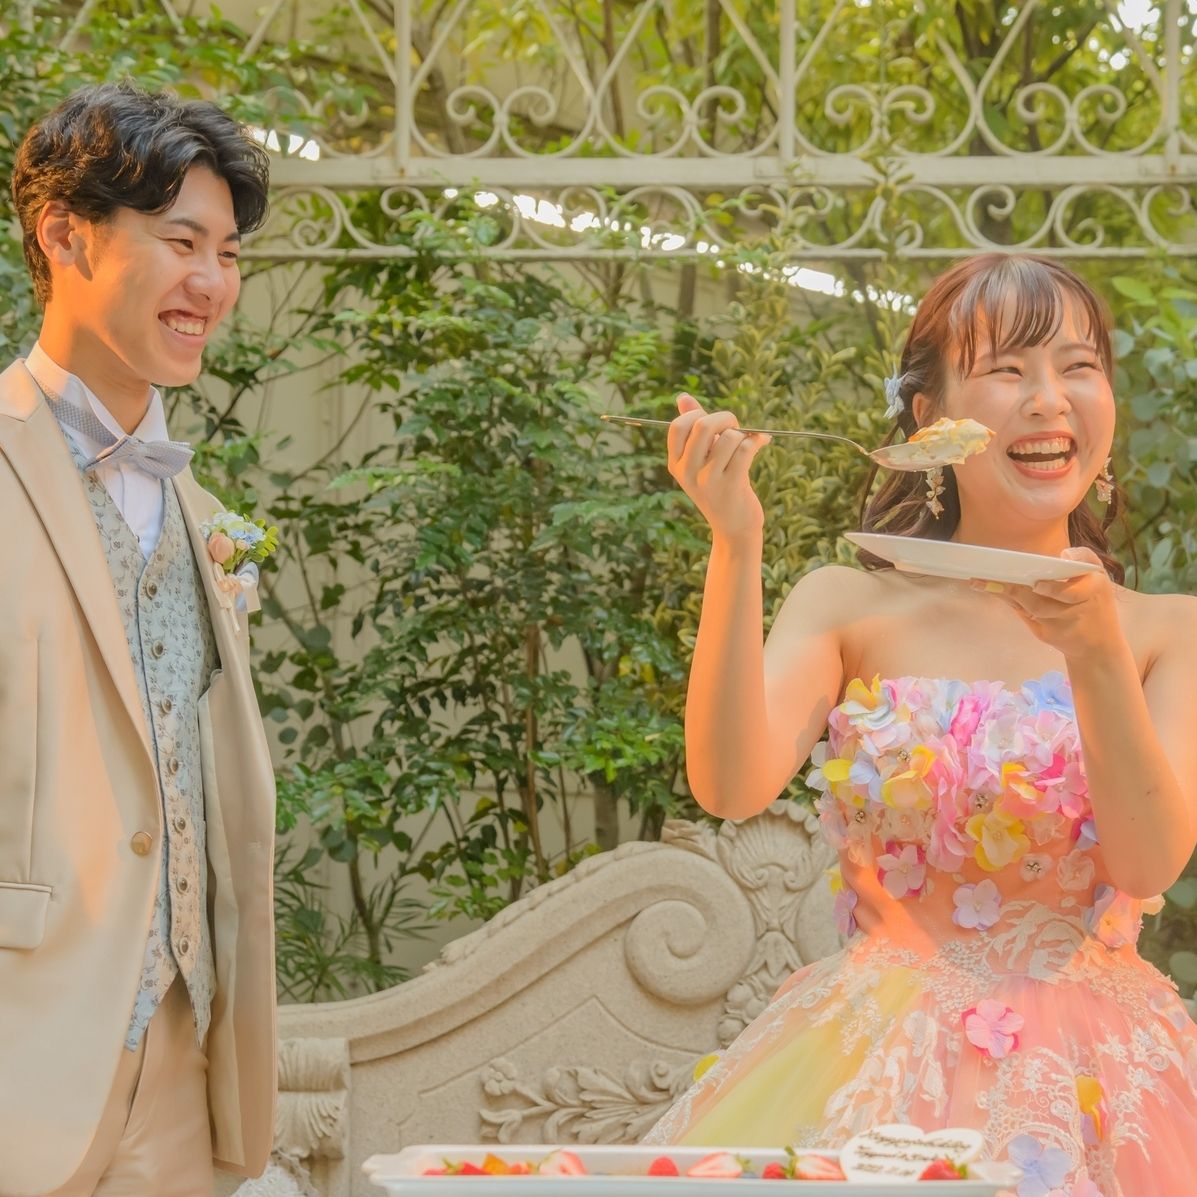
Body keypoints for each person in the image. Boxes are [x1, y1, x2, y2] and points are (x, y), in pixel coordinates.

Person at [641, 254, 1197, 1194]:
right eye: (1007, 370)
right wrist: (735, 541)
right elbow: (729, 786)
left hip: (1101, 1084)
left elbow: (1148, 867)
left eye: (1077, 366)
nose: (1048, 399)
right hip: (874, 1068)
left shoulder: (1165, 631)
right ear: (931, 418)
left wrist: (1096, 653)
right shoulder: (846, 602)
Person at [1, 82, 277, 1196]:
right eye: (181, 242)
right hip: (20, 1050)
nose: (212, 282)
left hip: (183, 1065)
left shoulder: (207, 518)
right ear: (65, 235)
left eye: (228, 252)